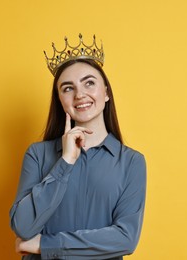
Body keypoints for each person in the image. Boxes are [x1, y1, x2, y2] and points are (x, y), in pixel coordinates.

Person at [9, 34, 147, 260]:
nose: (80, 94)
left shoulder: (132, 162)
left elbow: (125, 238)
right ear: (60, 99)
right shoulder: (37, 155)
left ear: (106, 93)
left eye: (89, 83)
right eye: (67, 88)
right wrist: (65, 162)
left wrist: (45, 244)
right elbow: (23, 227)